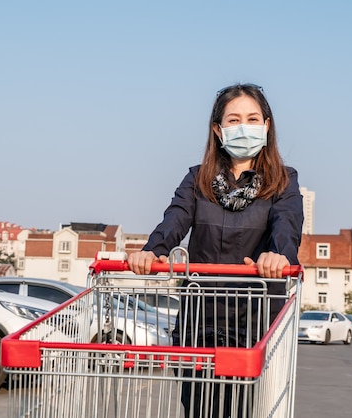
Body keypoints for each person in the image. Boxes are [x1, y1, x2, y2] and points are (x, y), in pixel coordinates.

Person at [128, 83, 304, 417]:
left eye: (253, 119)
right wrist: (152, 251)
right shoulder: (198, 180)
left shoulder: (283, 181)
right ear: (218, 129)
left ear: (267, 125)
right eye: (234, 119)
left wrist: (279, 255)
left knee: (247, 409)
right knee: (198, 408)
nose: (244, 127)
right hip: (201, 322)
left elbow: (287, 224)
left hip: (254, 322)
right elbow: (175, 220)